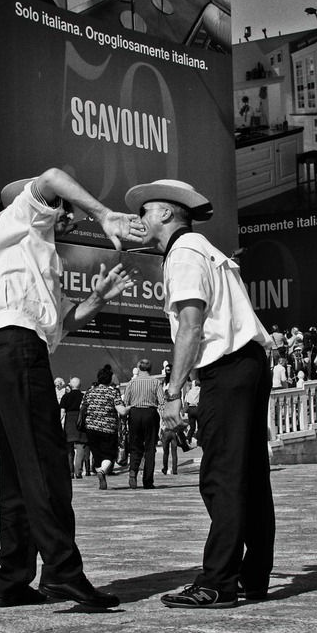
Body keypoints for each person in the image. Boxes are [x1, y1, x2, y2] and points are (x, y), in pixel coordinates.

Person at [0, 167, 143, 609]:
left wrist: (97, 301)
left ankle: (12, 578)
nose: (69, 218)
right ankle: (62, 572)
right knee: (47, 464)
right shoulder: (19, 215)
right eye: (66, 210)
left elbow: (58, 326)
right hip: (13, 343)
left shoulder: (31, 252)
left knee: (21, 469)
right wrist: (104, 215)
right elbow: (53, 175)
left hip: (0, 350)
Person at [125, 178, 274, 609]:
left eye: (145, 212)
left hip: (226, 370)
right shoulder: (206, 249)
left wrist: (172, 392)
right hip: (247, 364)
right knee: (249, 476)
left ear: (167, 213)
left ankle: (218, 582)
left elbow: (192, 325)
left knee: (221, 477)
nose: (140, 220)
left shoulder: (185, 252)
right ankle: (253, 576)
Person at [82, 366, 127, 490]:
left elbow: (83, 408)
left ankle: (99, 471)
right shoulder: (113, 392)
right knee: (108, 455)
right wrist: (130, 408)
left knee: (97, 455)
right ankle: (102, 471)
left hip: (91, 427)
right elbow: (121, 411)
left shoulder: (89, 392)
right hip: (108, 428)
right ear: (109, 380)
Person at [123, 358, 164, 489]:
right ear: (150, 369)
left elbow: (126, 402)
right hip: (150, 414)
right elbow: (162, 402)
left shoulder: (131, 383)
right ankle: (148, 481)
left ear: (138, 368)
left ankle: (133, 470)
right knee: (150, 447)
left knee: (135, 445)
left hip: (134, 414)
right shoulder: (156, 382)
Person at [60, 377, 88, 479]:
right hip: (80, 421)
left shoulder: (65, 397)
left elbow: (62, 412)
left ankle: (70, 471)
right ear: (80, 385)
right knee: (80, 446)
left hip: (69, 422)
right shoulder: (84, 396)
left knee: (69, 448)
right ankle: (78, 471)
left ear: (70, 385)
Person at [184, 378, 200, 446]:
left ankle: (188, 438)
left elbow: (186, 401)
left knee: (192, 427)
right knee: (200, 426)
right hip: (197, 408)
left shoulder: (190, 392)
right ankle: (199, 441)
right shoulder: (199, 390)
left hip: (190, 409)